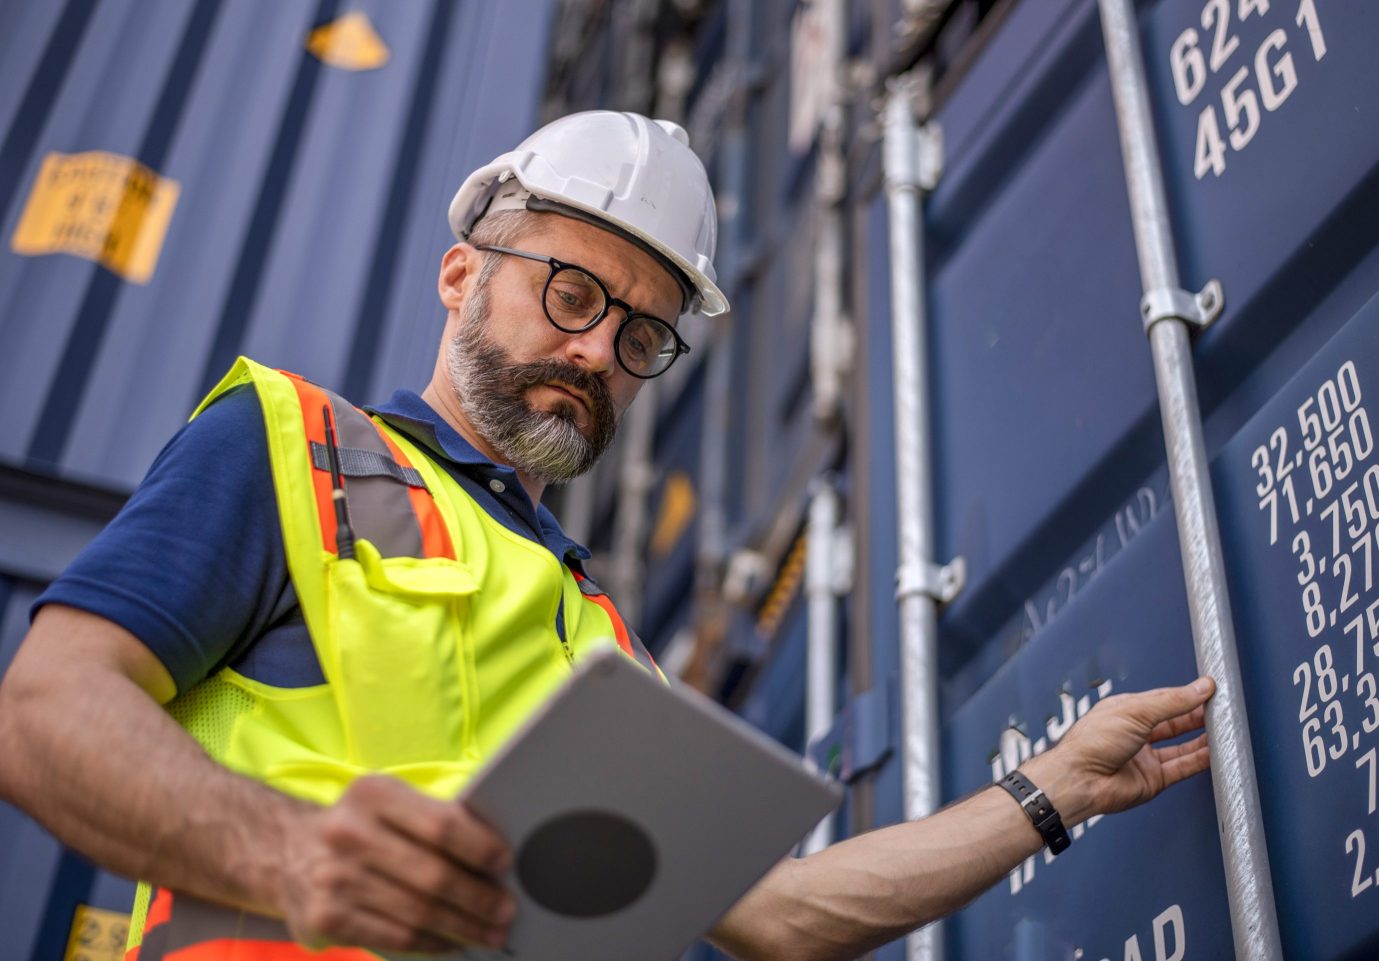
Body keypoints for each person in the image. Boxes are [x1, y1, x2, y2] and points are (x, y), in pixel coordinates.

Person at [0, 111, 1214, 960]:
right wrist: (291, 855)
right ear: (459, 275)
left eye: (642, 335)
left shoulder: (606, 642)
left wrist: (1054, 789)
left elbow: (781, 916)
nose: (598, 352)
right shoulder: (289, 445)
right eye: (573, 294)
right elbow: (42, 714)